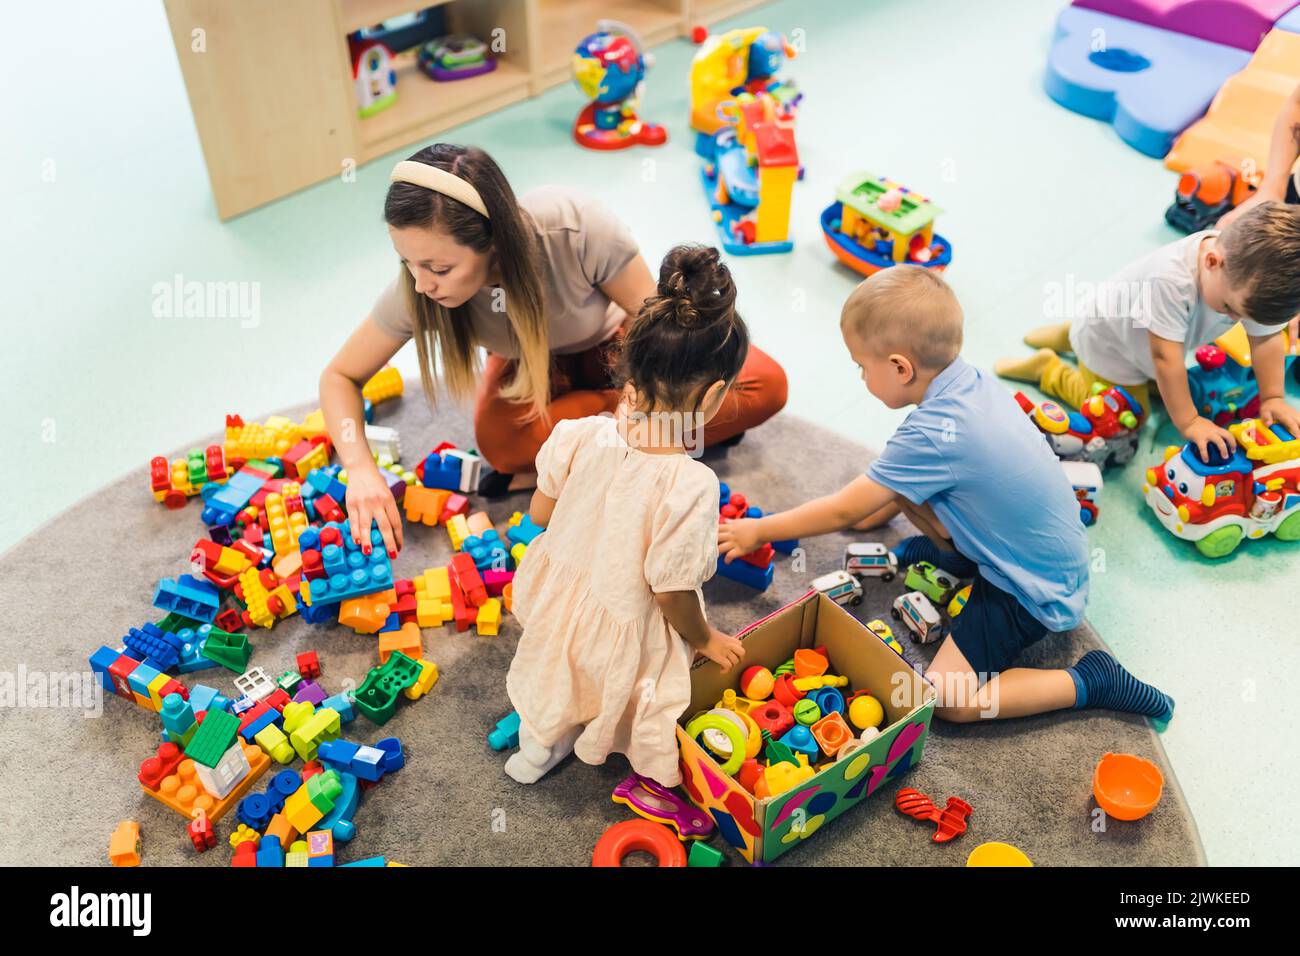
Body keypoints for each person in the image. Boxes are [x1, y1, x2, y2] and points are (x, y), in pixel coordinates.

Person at [719, 266, 1175, 725]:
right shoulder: (970, 383)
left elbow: (846, 506)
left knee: (950, 699)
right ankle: (957, 559)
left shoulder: (934, 434)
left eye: (861, 366)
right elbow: (871, 501)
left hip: (1031, 588)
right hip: (1036, 546)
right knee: (897, 481)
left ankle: (1089, 681)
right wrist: (865, 509)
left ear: (900, 367)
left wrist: (760, 529)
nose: (859, 376)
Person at [319, 143, 787, 556]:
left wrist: (632, 402)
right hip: (535, 368)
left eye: (438, 267)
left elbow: (651, 322)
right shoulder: (420, 283)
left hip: (625, 351)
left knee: (764, 384)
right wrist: (360, 469)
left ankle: (618, 438)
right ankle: (667, 432)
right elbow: (340, 376)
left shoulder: (575, 226)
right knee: (499, 445)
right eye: (408, 263)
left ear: (493, 244)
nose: (421, 284)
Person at [503, 245, 747, 784]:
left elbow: (540, 511)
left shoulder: (579, 432)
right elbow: (670, 590)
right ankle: (596, 733)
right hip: (623, 611)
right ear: (711, 398)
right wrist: (704, 638)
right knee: (641, 679)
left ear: (629, 383)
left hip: (559, 597)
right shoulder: (690, 485)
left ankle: (538, 743)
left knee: (557, 669)